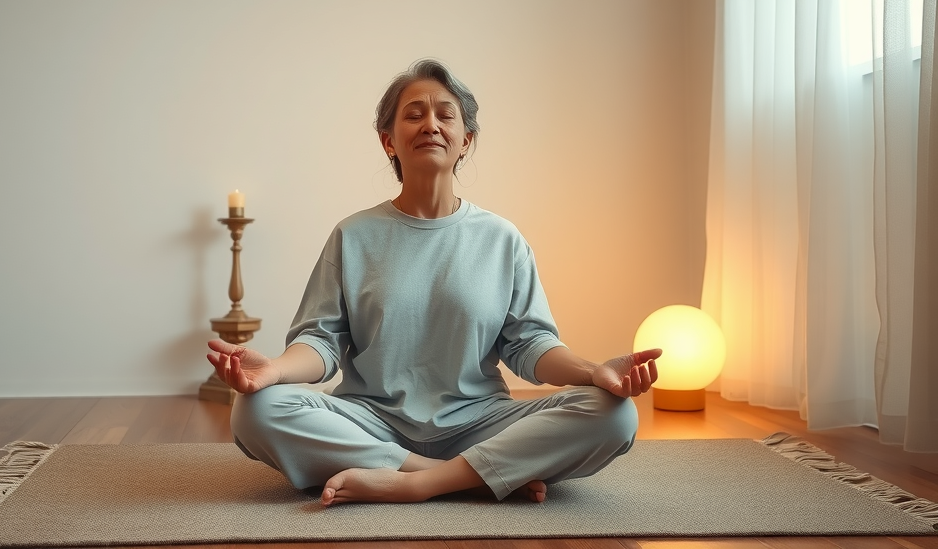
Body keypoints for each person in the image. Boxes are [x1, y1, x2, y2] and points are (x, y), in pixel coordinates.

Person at [206, 58, 660, 507]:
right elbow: (320, 342)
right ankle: (466, 476)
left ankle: (411, 483)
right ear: (389, 141)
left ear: (466, 141)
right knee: (255, 409)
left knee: (614, 414)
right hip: (371, 421)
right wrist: (275, 370)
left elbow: (530, 345)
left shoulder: (502, 239)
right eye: (413, 114)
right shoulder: (353, 235)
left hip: (480, 422)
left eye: (446, 114)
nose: (430, 124)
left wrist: (593, 371)